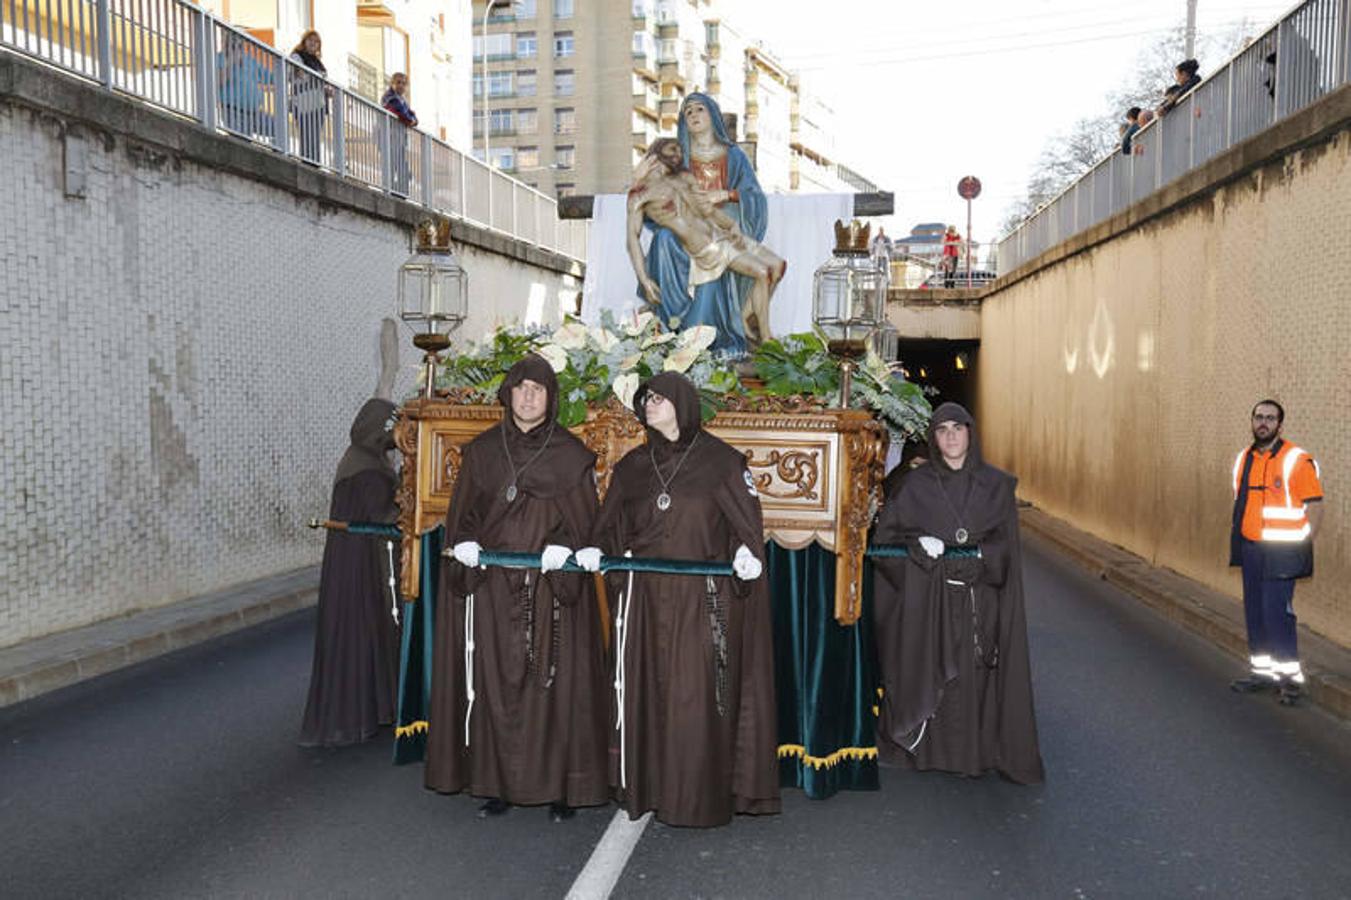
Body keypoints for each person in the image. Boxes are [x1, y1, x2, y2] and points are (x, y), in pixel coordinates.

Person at [579, 372, 780, 827]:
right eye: (646, 398)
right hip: (644, 599)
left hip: (700, 601)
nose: (650, 405)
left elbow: (745, 528)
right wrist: (599, 548)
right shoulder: (632, 465)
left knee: (695, 700)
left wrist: (746, 554)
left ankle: (695, 798)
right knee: (644, 692)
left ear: (684, 404)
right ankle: (644, 788)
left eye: (660, 398)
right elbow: (609, 525)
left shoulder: (723, 462)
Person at [425, 354, 609, 821]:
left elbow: (588, 524)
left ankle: (560, 789)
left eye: (539, 389)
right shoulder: (482, 452)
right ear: (508, 393)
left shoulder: (571, 456)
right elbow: (463, 516)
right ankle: (497, 784)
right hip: (493, 590)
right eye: (521, 388)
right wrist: (465, 545)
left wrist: (563, 550)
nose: (529, 397)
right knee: (497, 687)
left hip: (552, 593)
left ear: (551, 398)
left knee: (553, 690)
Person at [871, 402, 1044, 784]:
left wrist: (981, 555)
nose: (951, 436)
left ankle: (974, 753)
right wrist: (917, 546)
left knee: (974, 678)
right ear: (933, 438)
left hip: (978, 600)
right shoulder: (914, 486)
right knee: (934, 674)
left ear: (971, 433)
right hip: (930, 602)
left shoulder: (997, 487)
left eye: (958, 428)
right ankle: (929, 752)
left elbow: (1007, 549)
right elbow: (884, 544)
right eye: (942, 429)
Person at [300, 319, 401, 747]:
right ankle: (360, 711)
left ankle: (368, 709)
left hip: (351, 566)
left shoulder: (358, 456)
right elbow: (386, 517)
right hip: (362, 571)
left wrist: (389, 371)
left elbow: (379, 407)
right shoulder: (371, 474)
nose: (396, 437)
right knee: (362, 637)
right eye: (393, 432)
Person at [626, 139, 785, 348]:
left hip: (719, 234)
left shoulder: (684, 178)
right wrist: (644, 279)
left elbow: (706, 211)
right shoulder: (640, 193)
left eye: (680, 149)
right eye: (673, 147)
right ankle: (766, 338)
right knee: (762, 273)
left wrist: (731, 224)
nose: (679, 153)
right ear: (655, 153)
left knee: (776, 265)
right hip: (706, 249)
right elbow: (632, 239)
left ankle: (746, 322)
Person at [642, 93, 767, 357]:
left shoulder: (734, 156)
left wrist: (727, 195)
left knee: (711, 255)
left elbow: (753, 196)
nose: (694, 115)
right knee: (664, 237)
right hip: (684, 230)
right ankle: (671, 324)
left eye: (700, 109)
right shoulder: (677, 157)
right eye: (688, 112)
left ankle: (706, 332)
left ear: (712, 115)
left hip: (718, 232)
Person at [1228, 400, 1324, 706]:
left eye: (1270, 418)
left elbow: (1316, 506)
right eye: (1258, 417)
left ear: (1280, 425)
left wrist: (1304, 544)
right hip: (1252, 548)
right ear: (1252, 421)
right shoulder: (1245, 458)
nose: (1263, 423)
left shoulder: (1296, 459)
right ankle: (1262, 673)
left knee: (1276, 615)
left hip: (1283, 552)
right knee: (1255, 613)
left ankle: (1290, 682)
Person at [216, 34, 273, 137]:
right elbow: (217, 82)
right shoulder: (219, 58)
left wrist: (290, 73)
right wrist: (232, 61)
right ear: (226, 44)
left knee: (277, 127)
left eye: (240, 44)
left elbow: (271, 77)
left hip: (254, 111)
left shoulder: (250, 60)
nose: (237, 47)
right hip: (233, 112)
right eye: (233, 44)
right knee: (242, 141)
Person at [289, 30, 331, 165]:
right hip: (304, 101)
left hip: (318, 103)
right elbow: (301, 76)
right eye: (310, 40)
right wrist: (318, 80)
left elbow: (319, 82)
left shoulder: (318, 62)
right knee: (306, 135)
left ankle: (315, 164)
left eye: (316, 41)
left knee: (315, 137)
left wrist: (326, 90)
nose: (313, 43)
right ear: (304, 42)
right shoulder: (297, 56)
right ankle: (307, 163)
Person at [382, 73, 419, 196]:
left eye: (404, 83)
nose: (401, 86)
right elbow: (403, 113)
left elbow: (410, 113)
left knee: (401, 165)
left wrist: (413, 119)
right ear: (392, 83)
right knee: (393, 164)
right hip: (390, 136)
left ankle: (399, 191)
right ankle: (391, 190)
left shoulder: (402, 99)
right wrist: (411, 120)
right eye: (398, 82)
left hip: (399, 137)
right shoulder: (391, 97)